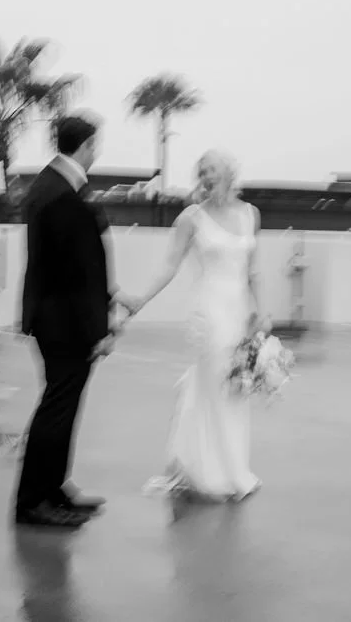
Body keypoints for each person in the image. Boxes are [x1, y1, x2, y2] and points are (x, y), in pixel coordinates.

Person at [125, 149, 271, 501]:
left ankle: (233, 467)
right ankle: (211, 475)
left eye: (213, 170)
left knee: (236, 389)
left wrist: (262, 312)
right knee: (216, 385)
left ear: (229, 173)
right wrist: (140, 299)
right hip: (209, 314)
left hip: (240, 314)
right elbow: (169, 265)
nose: (207, 177)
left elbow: (252, 270)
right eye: (202, 171)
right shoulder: (192, 218)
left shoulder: (251, 214)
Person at [14, 113, 135, 528]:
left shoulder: (50, 186)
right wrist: (100, 330)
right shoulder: (63, 195)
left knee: (61, 405)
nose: (96, 152)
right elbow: (78, 273)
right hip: (63, 321)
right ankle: (34, 501)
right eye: (94, 145)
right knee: (57, 408)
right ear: (86, 146)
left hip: (53, 317)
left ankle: (53, 488)